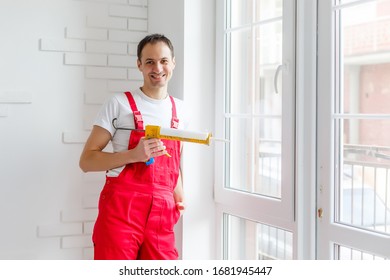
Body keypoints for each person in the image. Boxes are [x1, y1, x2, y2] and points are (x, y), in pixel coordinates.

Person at [79, 34, 188, 260]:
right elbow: (87, 161)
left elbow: (173, 163)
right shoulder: (119, 104)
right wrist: (133, 155)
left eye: (164, 61)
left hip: (162, 214)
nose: (157, 68)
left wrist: (179, 198)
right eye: (149, 61)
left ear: (173, 63)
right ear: (139, 65)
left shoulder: (181, 110)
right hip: (122, 212)